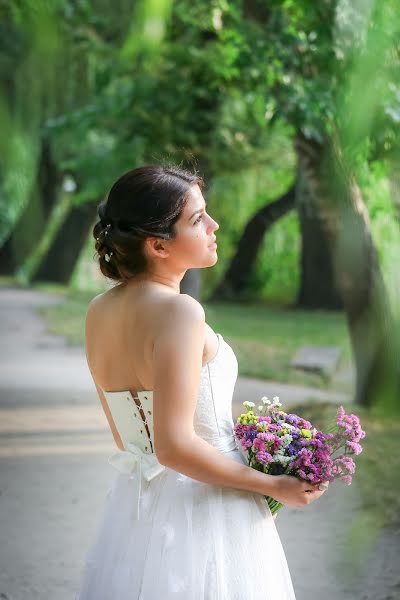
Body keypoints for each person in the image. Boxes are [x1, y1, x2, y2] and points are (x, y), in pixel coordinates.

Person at [76, 164, 328, 600]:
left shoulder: (99, 311)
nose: (214, 225)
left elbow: (131, 439)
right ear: (157, 245)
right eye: (197, 219)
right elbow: (173, 446)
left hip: (139, 508)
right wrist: (273, 484)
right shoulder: (180, 312)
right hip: (206, 509)